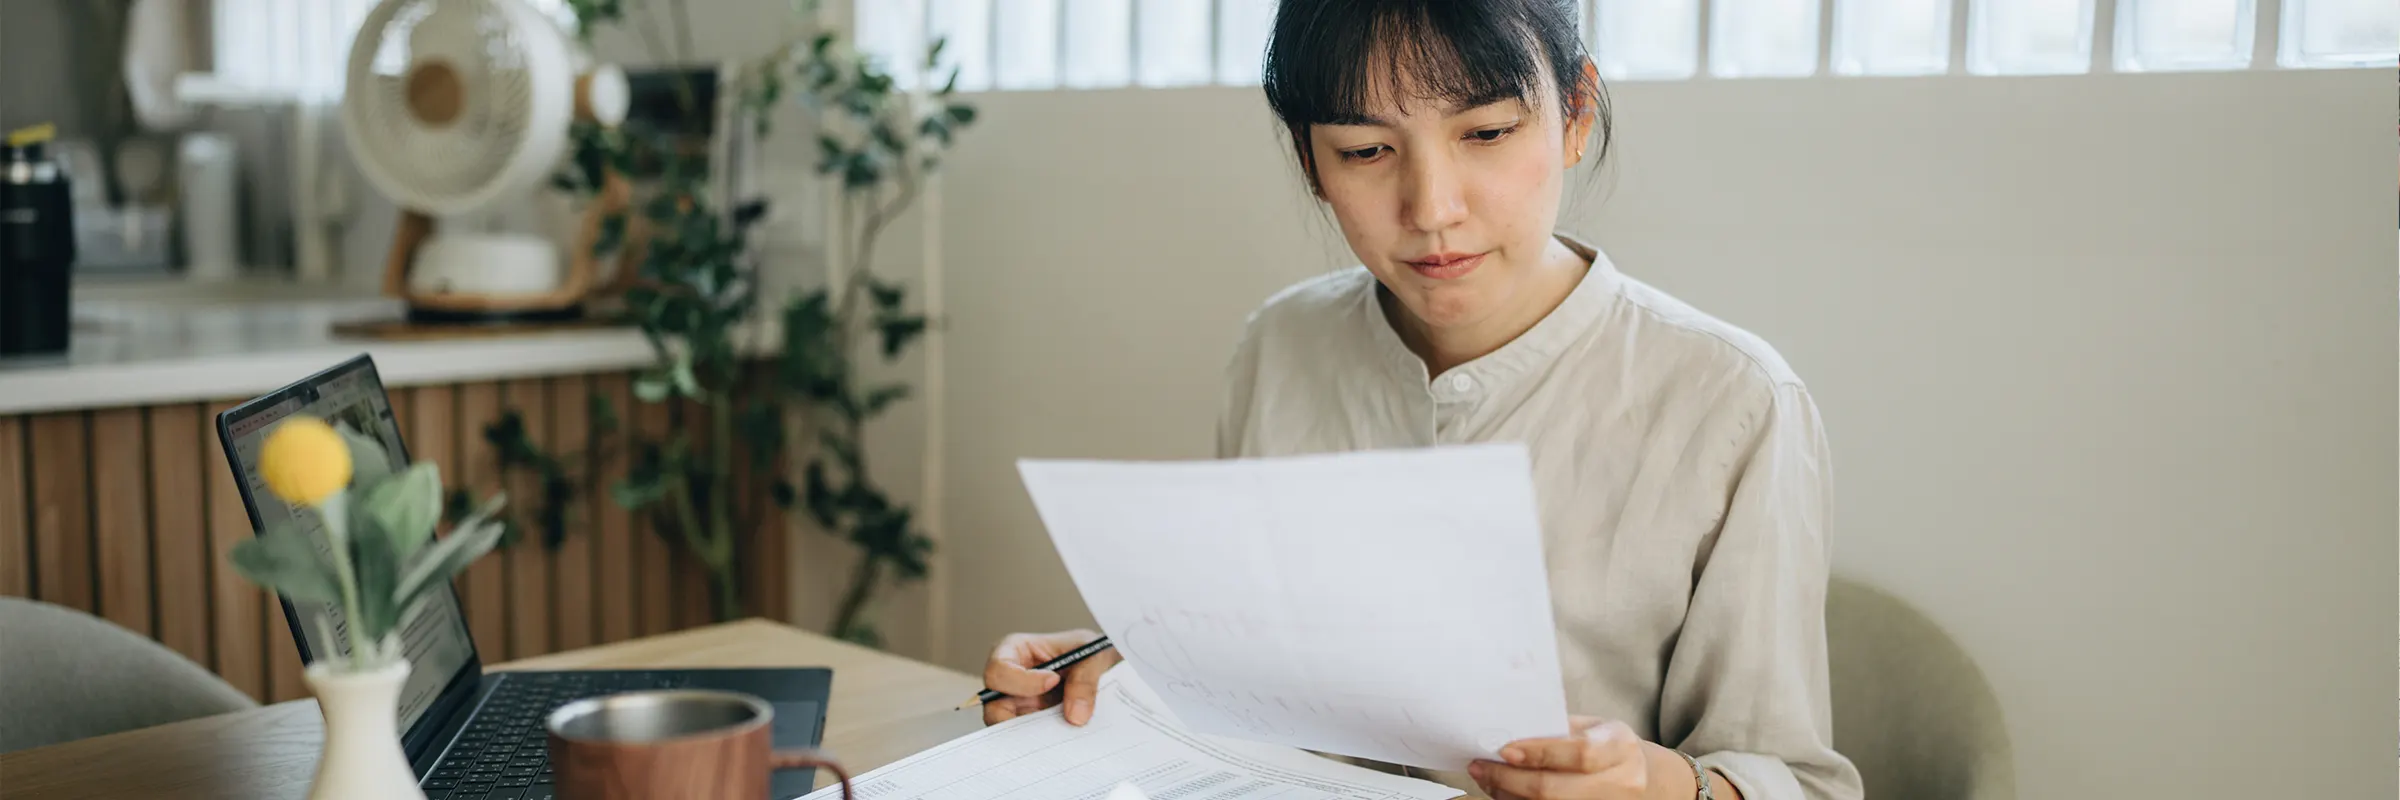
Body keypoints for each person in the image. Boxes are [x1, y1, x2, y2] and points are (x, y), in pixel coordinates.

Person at [979, 2, 1864, 799]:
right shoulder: (1280, 348)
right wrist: (1122, 670)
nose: (1432, 208)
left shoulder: (1732, 402)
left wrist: (1654, 784)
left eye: (1485, 133)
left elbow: (1795, 783)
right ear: (1311, 163)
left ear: (1576, 116)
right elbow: (1256, 670)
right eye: (1366, 151)